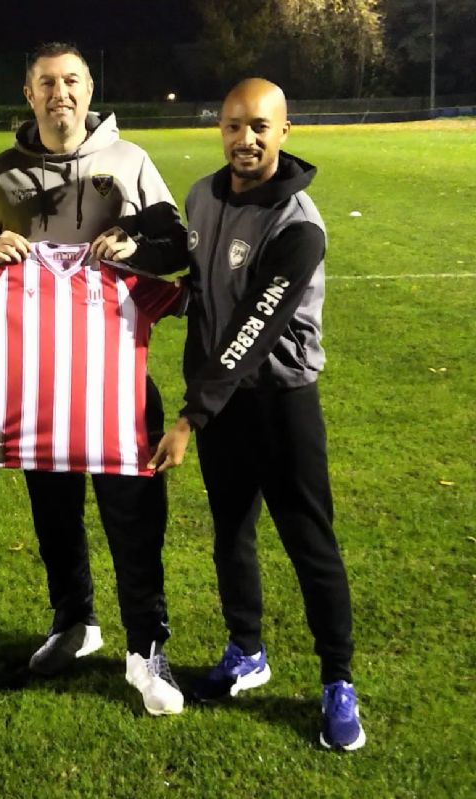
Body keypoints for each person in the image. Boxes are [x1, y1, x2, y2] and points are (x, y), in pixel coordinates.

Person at [0, 42, 187, 715]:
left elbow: (177, 246)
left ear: (90, 91)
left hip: (117, 387)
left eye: (72, 81)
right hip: (38, 389)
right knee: (54, 514)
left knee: (136, 520)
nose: (61, 93)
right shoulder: (1, 174)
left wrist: (136, 243)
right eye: (47, 82)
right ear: (27, 95)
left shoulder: (130, 162)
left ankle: (147, 648)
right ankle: (74, 622)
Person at [149, 78, 366, 749]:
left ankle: (338, 680)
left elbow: (253, 327)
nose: (246, 139)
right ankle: (246, 650)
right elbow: (207, 292)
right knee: (230, 531)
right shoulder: (202, 196)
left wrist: (189, 417)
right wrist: (147, 285)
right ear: (220, 128)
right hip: (227, 404)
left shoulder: (298, 226)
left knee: (310, 541)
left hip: (281, 403)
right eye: (234, 126)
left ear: (284, 132)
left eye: (260, 127)